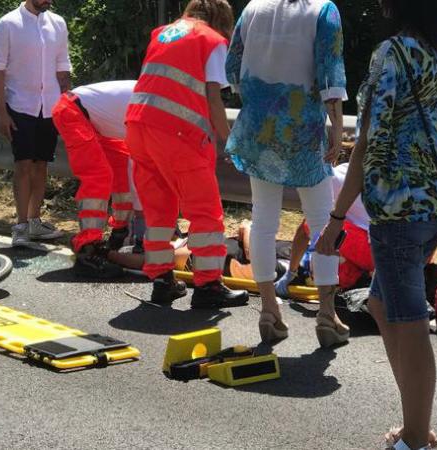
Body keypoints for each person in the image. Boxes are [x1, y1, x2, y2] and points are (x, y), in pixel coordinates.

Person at [316, 1, 437, 448]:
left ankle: (414, 437)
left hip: (396, 211)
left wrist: (335, 218)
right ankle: (415, 422)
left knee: (408, 322)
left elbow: (367, 141)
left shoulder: (390, 53)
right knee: (380, 305)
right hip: (434, 205)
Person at [225, 0, 348, 346]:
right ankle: (327, 315)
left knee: (264, 219)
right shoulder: (323, 10)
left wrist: (258, 99)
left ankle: (269, 312)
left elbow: (232, 66)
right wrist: (337, 127)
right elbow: (330, 71)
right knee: (322, 219)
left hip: (258, 131)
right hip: (304, 131)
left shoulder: (253, 8)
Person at [125, 0, 248, 309]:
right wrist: (228, 141)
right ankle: (208, 286)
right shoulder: (211, 40)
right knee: (204, 210)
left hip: (138, 125)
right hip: (177, 133)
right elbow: (213, 99)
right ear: (222, 19)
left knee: (157, 209)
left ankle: (162, 281)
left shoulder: (163, 33)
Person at [0, 0, 70, 246]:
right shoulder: (8, 24)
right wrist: (2, 113)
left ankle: (36, 222)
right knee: (23, 165)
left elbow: (63, 67)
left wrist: (67, 104)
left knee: (41, 165)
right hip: (20, 106)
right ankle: (21, 226)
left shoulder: (58, 23)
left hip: (50, 107)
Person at [51, 80, 137, 278]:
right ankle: (87, 247)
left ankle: (119, 234)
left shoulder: (160, 97)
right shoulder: (157, 103)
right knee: (99, 175)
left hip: (95, 119)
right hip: (73, 111)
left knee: (123, 169)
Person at [275, 163, 374, 296]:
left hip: (370, 250)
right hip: (383, 251)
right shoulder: (347, 170)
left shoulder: (328, 181)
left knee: (314, 221)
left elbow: (304, 230)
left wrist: (290, 273)